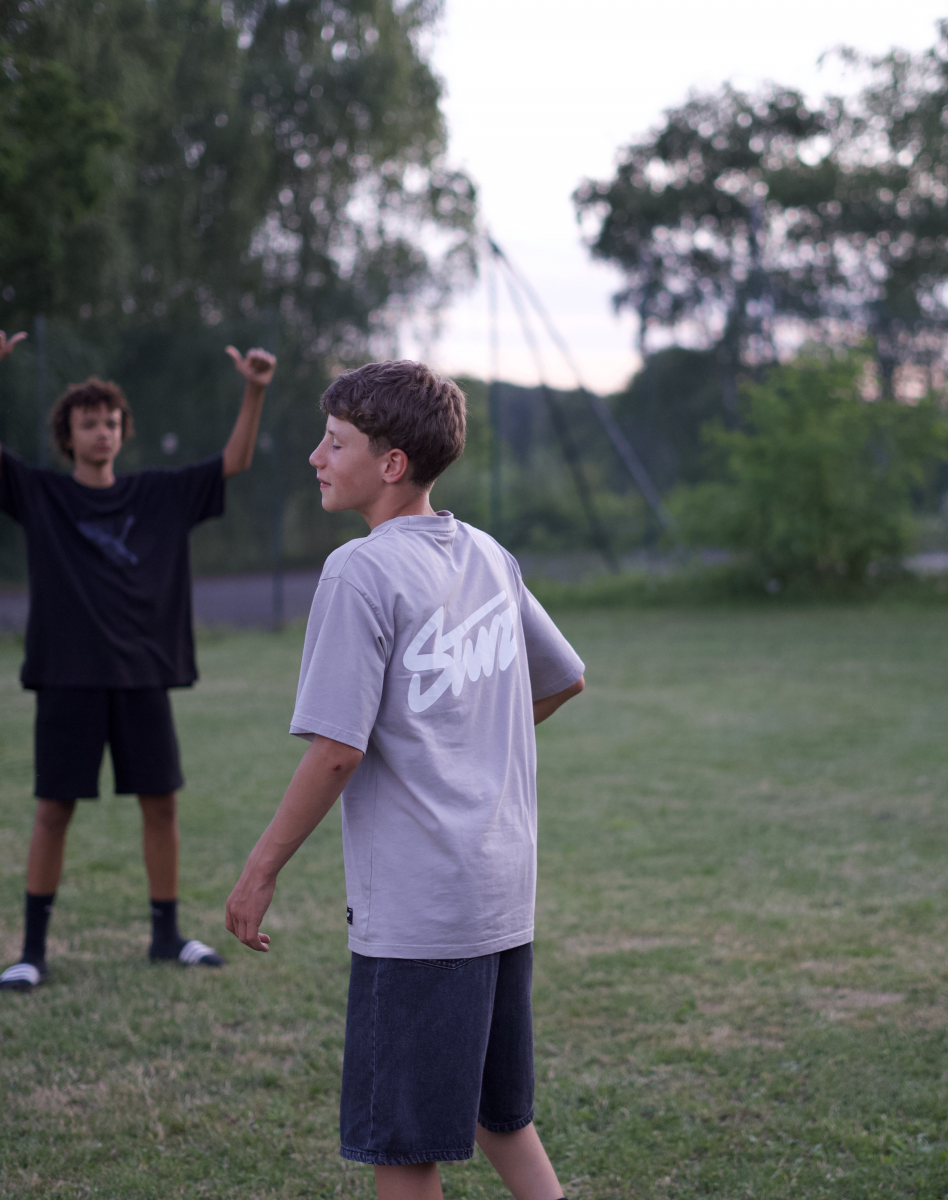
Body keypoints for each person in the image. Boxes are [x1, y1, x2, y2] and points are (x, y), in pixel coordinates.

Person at [224, 360, 585, 1200]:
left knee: (405, 1148)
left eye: (334, 442)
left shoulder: (360, 569)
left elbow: (336, 750)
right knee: (501, 1117)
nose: (316, 456)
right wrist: (455, 738)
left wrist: (259, 870)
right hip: (500, 889)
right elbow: (564, 678)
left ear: (390, 463)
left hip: (421, 911)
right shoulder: (488, 555)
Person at [0, 326, 276, 992]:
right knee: (54, 810)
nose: (102, 432)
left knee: (161, 805)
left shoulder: (158, 494)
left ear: (123, 431)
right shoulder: (44, 494)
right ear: (68, 435)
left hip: (142, 676)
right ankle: (31, 952)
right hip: (68, 678)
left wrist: (254, 391)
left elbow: (234, 460)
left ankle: (166, 937)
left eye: (111, 422)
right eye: (89, 423)